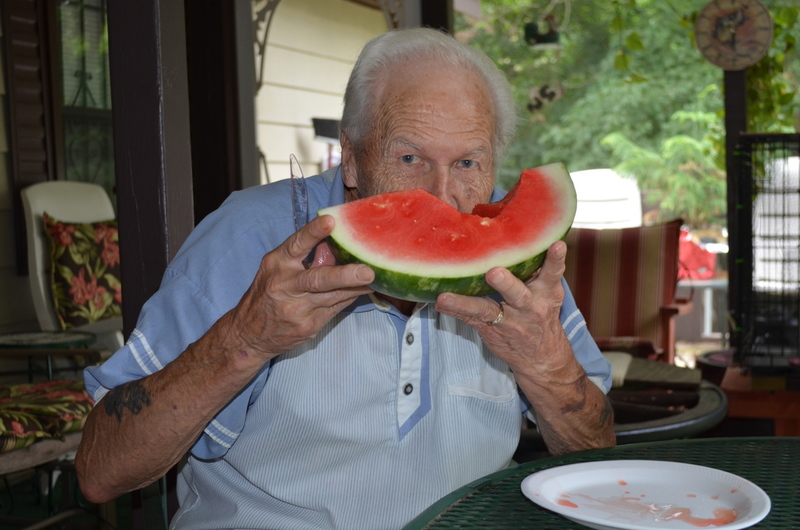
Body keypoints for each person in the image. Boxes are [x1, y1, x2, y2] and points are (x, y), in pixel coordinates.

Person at [76, 27, 615, 529]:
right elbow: (101, 472)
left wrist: (548, 367)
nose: (442, 197)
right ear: (352, 157)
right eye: (410, 157)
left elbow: (599, 462)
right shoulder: (247, 241)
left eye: (469, 163)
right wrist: (243, 340)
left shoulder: (520, 267)